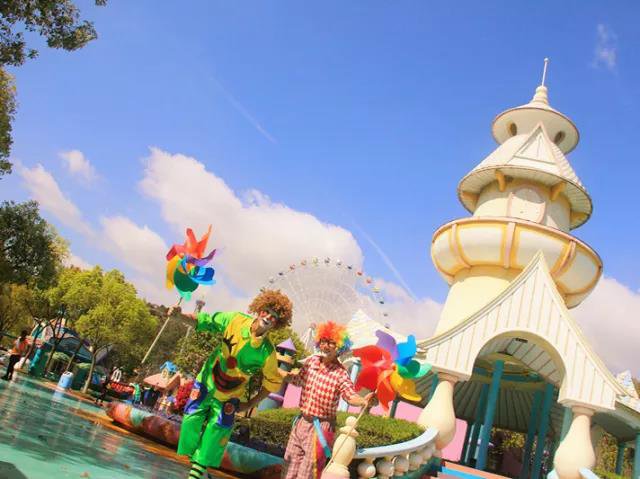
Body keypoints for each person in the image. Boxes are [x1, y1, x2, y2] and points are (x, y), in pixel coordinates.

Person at [172, 289, 293, 479]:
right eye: (267, 311)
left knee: (216, 432)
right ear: (259, 309)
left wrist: (250, 404)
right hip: (206, 383)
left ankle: (197, 472)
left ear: (277, 324)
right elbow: (205, 321)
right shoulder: (235, 320)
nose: (268, 317)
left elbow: (272, 382)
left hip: (230, 397)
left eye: (274, 317)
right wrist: (180, 316)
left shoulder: (267, 351)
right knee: (190, 421)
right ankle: (200, 469)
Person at [282, 321, 373, 479]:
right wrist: (277, 372)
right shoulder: (311, 362)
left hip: (320, 428)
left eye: (331, 343)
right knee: (288, 467)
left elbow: (350, 395)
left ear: (340, 347)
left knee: (308, 473)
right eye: (323, 341)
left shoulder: (340, 373)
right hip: (301, 422)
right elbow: (297, 380)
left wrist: (363, 401)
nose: (326, 346)